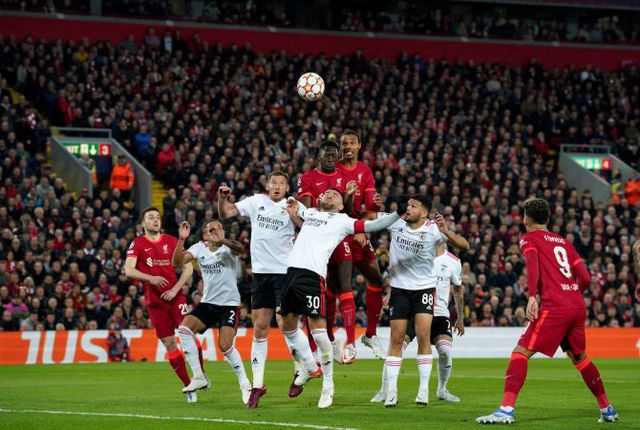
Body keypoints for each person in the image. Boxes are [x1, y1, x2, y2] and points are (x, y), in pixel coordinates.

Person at [476, 198, 618, 424]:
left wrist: (532, 296)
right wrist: (571, 291)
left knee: (520, 352)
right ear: (548, 218)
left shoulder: (529, 239)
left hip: (555, 306)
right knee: (580, 358)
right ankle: (607, 409)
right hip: (576, 305)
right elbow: (586, 278)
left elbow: (532, 264)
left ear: (525, 218)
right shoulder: (564, 242)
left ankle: (506, 409)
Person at [280, 190, 406, 408]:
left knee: (319, 333)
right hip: (291, 273)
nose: (328, 195)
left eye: (334, 195)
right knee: (287, 326)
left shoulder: (343, 221)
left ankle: (328, 386)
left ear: (340, 206)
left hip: (312, 276)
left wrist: (398, 214)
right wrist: (291, 203)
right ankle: (311, 367)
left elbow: (372, 226)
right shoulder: (310, 212)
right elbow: (292, 203)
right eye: (326, 193)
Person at [218, 170, 306, 407]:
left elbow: (306, 229)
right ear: (267, 185)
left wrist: (294, 214)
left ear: (287, 187)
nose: (277, 186)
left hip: (285, 272)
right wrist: (222, 197)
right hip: (261, 274)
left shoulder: (293, 205)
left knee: (284, 322)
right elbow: (226, 213)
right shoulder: (256, 202)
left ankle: (303, 367)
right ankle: (258, 386)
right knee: (259, 328)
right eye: (274, 183)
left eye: (282, 183)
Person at [376, 196, 469, 407]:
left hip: (429, 299)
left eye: (413, 206)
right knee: (396, 340)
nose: (407, 208)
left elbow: (465, 246)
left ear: (425, 213)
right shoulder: (397, 223)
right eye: (407, 205)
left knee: (427, 339)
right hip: (402, 292)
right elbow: (371, 220)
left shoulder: (439, 238)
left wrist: (446, 231)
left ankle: (430, 390)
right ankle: (389, 391)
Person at [172, 220, 252, 405]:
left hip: (229, 304)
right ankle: (199, 376)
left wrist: (223, 240)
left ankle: (244, 383)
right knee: (184, 329)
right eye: (211, 228)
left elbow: (240, 248)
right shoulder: (199, 248)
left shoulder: (228, 247)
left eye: (219, 227)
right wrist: (181, 240)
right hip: (208, 302)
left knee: (224, 345)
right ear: (205, 235)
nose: (216, 230)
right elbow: (176, 263)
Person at [124, 207, 196, 402]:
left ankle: (200, 375)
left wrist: (175, 289)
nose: (155, 220)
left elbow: (188, 268)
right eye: (150, 217)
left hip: (176, 297)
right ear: (143, 224)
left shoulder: (172, 241)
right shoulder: (137, 243)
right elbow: (128, 270)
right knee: (170, 343)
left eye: (157, 217)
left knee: (188, 332)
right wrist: (151, 278)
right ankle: (189, 386)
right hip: (155, 302)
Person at [298, 140, 358, 364]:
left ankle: (351, 344)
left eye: (335, 155)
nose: (332, 158)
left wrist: (349, 196)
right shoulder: (308, 178)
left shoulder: (344, 176)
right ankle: (324, 343)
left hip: (337, 236)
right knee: (317, 292)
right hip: (315, 239)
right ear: (319, 156)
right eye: (328, 155)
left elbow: (349, 212)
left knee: (345, 286)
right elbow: (304, 210)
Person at [337, 129, 386, 359]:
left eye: (351, 142)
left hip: (357, 234)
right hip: (338, 234)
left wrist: (363, 229)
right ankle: (335, 340)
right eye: (343, 143)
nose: (347, 146)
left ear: (359, 146)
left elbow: (371, 208)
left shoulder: (364, 171)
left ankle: (370, 335)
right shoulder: (333, 170)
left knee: (376, 278)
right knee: (335, 288)